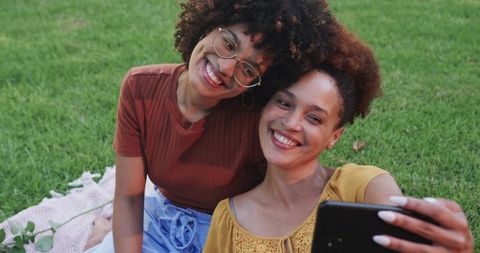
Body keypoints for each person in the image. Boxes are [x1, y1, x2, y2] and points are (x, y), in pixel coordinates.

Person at [84, 0, 340, 252]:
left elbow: (308, 185)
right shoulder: (140, 88)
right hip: (159, 225)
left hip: (227, 236)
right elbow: (129, 199)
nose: (227, 67)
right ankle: (101, 236)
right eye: (228, 43)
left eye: (248, 69)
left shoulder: (258, 120)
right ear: (210, 24)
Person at [202, 27, 474, 253]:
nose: (292, 123)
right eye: (284, 103)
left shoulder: (361, 187)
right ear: (264, 107)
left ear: (334, 137)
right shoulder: (228, 218)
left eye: (314, 118)